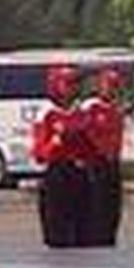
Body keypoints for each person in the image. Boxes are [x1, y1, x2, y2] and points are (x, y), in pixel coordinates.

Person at [32, 64, 93, 248]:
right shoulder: (47, 114)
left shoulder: (80, 112)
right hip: (56, 172)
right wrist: (57, 140)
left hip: (77, 171)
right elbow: (39, 152)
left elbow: (88, 147)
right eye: (68, 84)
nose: (72, 88)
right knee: (58, 225)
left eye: (75, 84)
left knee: (82, 225)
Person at [81, 66, 125, 248]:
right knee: (96, 202)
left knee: (112, 202)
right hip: (95, 162)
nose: (112, 89)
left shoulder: (115, 109)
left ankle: (109, 235)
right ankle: (95, 236)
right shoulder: (90, 107)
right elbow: (85, 135)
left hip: (112, 162)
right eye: (109, 85)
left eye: (115, 86)